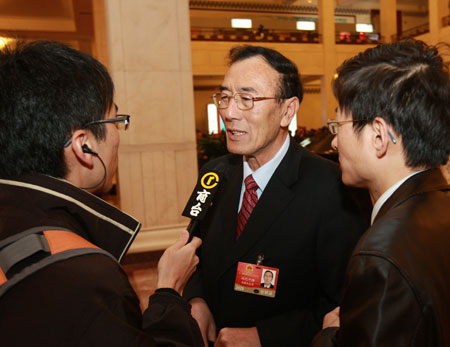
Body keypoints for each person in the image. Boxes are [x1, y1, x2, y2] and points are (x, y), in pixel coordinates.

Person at [0, 40, 203, 346]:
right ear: (84, 145)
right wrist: (168, 293)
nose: (118, 137)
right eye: (116, 121)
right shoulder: (85, 279)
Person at [182, 45, 369, 346]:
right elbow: (191, 251)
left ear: (287, 110)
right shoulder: (213, 173)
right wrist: (196, 299)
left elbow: (347, 301)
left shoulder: (332, 187)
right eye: (226, 97)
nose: (229, 113)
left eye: (247, 99)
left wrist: (266, 337)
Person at [311, 40, 450, 346]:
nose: (334, 143)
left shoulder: (381, 254)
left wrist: (331, 333)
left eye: (339, 125)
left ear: (378, 136)